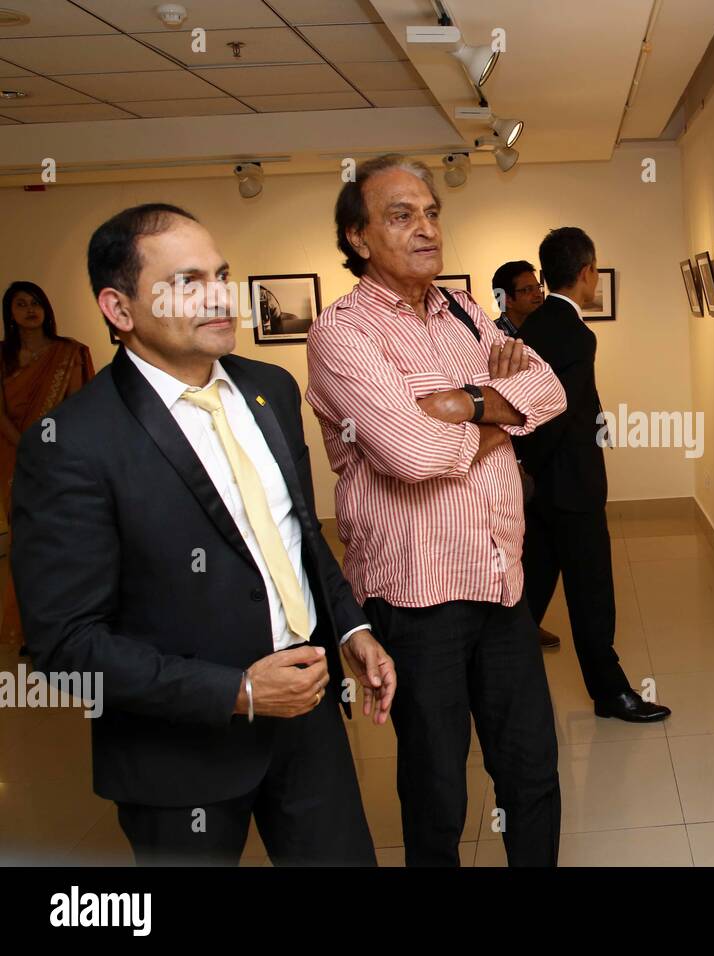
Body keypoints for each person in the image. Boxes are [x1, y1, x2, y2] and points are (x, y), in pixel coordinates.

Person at [11, 204, 393, 865]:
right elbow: (64, 644)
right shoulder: (72, 443)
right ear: (119, 308)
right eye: (187, 282)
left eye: (221, 274)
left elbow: (297, 535)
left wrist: (351, 628)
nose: (220, 295)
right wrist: (239, 692)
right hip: (176, 755)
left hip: (307, 720)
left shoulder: (269, 388)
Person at [306, 155, 567, 867]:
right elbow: (410, 454)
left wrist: (467, 404)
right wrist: (499, 418)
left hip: (500, 580)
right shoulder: (343, 334)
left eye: (430, 212)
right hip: (419, 598)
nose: (425, 229)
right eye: (400, 216)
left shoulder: (461, 309)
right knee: (436, 791)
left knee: (531, 773)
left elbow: (549, 390)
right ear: (359, 237)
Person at [515, 227, 671, 723]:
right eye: (596, 269)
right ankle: (610, 693)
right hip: (570, 490)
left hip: (541, 489)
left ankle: (499, 683)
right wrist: (539, 467)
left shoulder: (533, 325)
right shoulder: (576, 333)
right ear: (587, 273)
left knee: (532, 587)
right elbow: (556, 411)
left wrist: (525, 471)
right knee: (591, 595)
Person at [0, 282, 95, 648]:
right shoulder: (3, 357)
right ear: (9, 312)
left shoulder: (69, 353)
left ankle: (68, 625)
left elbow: (79, 407)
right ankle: (25, 629)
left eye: (36, 302)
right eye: (21, 304)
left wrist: (48, 445)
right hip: (12, 456)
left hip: (59, 456)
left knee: (64, 536)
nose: (29, 310)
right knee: (25, 538)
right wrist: (24, 443)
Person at [490, 260, 560, 648]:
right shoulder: (495, 341)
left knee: (537, 543)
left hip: (540, 450)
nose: (537, 294)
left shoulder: (541, 331)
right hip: (506, 456)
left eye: (538, 287)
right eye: (527, 290)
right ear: (504, 299)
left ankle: (526, 621)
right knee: (517, 542)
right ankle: (515, 629)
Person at [491, 259, 546, 337]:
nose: (539, 294)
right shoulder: (491, 337)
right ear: (507, 300)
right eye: (528, 289)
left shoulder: (547, 330)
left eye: (538, 287)